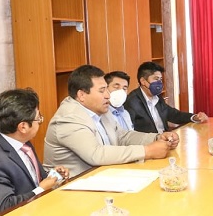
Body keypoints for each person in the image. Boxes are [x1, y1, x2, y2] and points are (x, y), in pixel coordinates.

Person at [44, 64, 178, 176]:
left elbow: (122, 136)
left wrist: (156, 138)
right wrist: (147, 151)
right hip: (70, 187)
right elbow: (96, 154)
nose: (108, 96)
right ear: (82, 95)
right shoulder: (69, 118)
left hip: (103, 176)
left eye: (107, 90)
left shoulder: (101, 109)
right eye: (102, 91)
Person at [0, 88, 69, 216]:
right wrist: (41, 189)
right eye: (38, 119)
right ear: (23, 127)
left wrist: (53, 176)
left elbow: (32, 181)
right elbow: (4, 207)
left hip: (38, 212)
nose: (40, 122)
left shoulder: (22, 142)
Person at [124, 61, 207, 133]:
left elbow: (173, 114)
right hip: (150, 143)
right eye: (156, 79)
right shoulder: (131, 102)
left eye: (160, 79)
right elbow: (130, 133)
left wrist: (194, 117)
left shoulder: (157, 97)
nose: (159, 83)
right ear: (143, 81)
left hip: (166, 139)